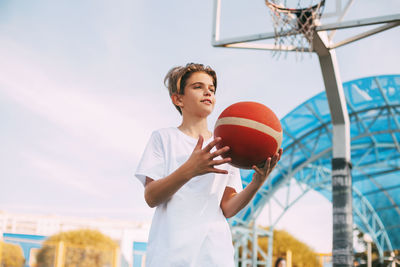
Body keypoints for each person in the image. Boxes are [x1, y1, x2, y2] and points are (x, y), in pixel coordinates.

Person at [135, 63, 282, 267]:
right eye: (197, 86)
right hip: (170, 255)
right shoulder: (163, 138)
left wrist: (257, 183)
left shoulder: (226, 146)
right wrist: (189, 170)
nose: (207, 91)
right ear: (178, 99)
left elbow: (228, 208)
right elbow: (151, 197)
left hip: (214, 255)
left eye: (211, 88)